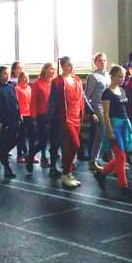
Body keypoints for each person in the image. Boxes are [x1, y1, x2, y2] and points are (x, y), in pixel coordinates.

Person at [48, 56, 97, 189]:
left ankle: (68, 173)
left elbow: (83, 97)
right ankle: (66, 173)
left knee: (70, 147)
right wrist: (49, 119)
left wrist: (91, 112)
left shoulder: (77, 80)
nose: (71, 67)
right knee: (75, 144)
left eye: (72, 65)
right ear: (63, 66)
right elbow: (52, 101)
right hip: (65, 118)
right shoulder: (57, 82)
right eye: (69, 65)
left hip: (77, 117)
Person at [94, 65, 132, 202]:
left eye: (123, 77)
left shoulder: (122, 90)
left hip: (124, 124)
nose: (122, 79)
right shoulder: (106, 93)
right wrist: (110, 131)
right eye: (119, 77)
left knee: (121, 157)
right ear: (112, 77)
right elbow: (106, 114)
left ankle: (101, 174)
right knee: (121, 157)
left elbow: (124, 109)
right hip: (115, 126)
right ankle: (124, 187)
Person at [0, 65, 21, 178]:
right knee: (4, 143)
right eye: (4, 73)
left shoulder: (11, 86)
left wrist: (19, 114)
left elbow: (16, 102)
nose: (7, 76)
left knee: (15, 140)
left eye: (8, 73)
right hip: (4, 120)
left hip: (14, 118)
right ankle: (7, 168)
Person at [26, 62, 55, 173]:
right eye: (51, 68)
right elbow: (33, 101)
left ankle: (50, 164)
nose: (53, 71)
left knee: (54, 140)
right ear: (45, 70)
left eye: (54, 69)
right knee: (43, 141)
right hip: (42, 116)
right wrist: (33, 117)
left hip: (53, 115)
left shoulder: (54, 83)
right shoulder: (37, 84)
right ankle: (31, 155)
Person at [85, 53, 110, 172]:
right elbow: (87, 95)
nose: (103, 63)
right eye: (100, 60)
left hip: (108, 106)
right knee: (101, 133)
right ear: (95, 62)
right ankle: (93, 160)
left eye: (104, 60)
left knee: (107, 132)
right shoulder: (93, 76)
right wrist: (90, 112)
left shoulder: (108, 75)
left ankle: (108, 157)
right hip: (97, 105)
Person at [15, 71, 33, 164]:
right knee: (20, 136)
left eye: (27, 77)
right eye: (24, 77)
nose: (25, 79)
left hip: (29, 114)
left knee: (31, 135)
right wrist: (19, 114)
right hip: (22, 115)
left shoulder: (29, 88)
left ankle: (29, 154)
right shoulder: (17, 88)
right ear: (20, 78)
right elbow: (16, 103)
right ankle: (19, 155)